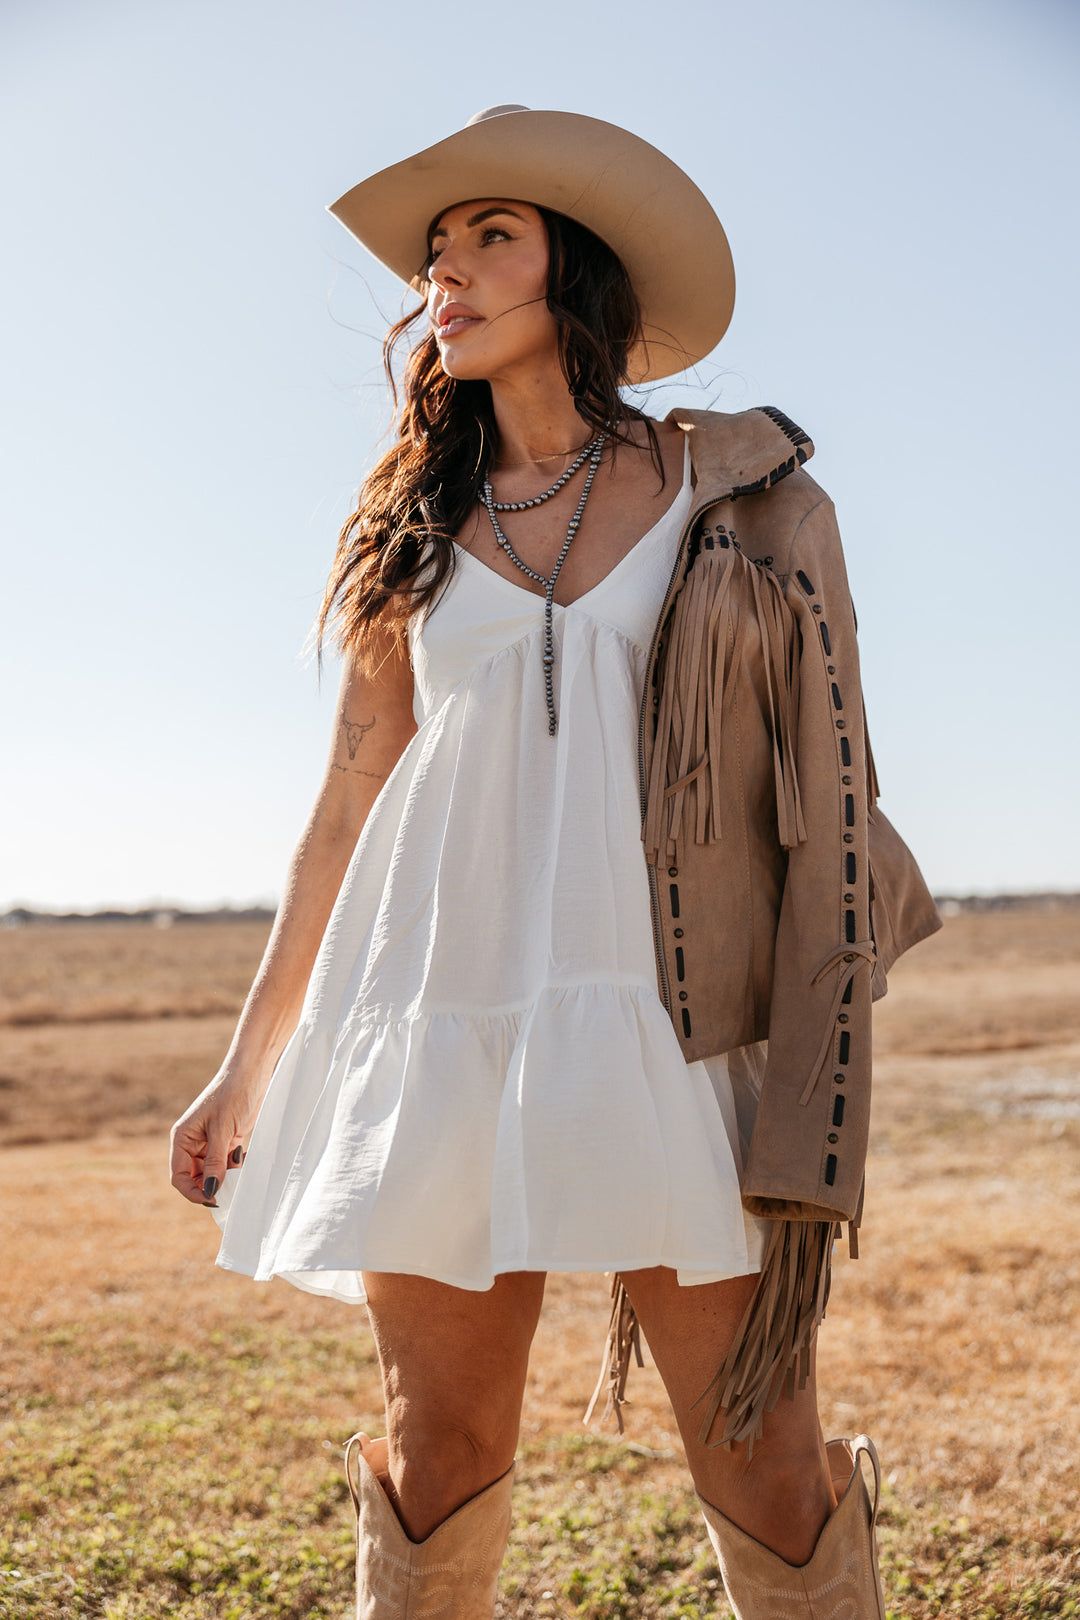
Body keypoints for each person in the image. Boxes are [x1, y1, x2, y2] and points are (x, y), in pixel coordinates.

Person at [170, 105, 940, 1619]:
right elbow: (346, 806)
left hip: (673, 1019)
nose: (444, 277)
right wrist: (243, 1068)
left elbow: (834, 787)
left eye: (489, 239)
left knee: (765, 1461)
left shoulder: (737, 493)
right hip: (438, 1013)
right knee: (438, 1450)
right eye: (434, 255)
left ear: (572, 271)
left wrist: (819, 1038)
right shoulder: (413, 531)